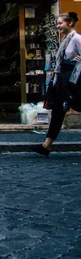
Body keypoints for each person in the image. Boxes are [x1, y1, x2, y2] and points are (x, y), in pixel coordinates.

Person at [31, 12, 81, 156]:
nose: (58, 26)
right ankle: (46, 145)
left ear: (69, 23)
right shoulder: (65, 39)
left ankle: (46, 145)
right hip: (62, 80)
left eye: (60, 23)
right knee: (58, 111)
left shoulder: (77, 39)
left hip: (74, 81)